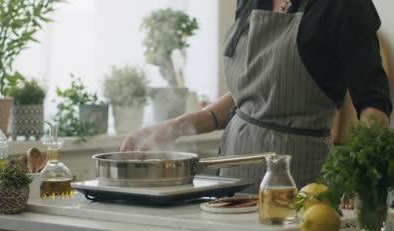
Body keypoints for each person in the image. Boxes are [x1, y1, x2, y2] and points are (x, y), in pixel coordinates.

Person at [121, 0, 392, 193]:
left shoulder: (345, 6)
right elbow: (253, 92)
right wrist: (173, 127)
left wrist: (360, 177)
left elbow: (373, 104)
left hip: (300, 180)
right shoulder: (250, 1)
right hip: (232, 177)